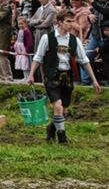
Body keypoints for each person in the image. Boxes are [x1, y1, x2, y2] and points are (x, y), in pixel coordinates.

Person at [27, 11, 101, 144]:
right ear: (60, 22)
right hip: (51, 76)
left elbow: (84, 60)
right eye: (68, 21)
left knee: (64, 111)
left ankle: (51, 128)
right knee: (58, 107)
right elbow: (38, 57)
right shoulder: (47, 38)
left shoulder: (74, 40)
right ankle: (62, 137)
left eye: (72, 21)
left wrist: (94, 80)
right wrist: (31, 74)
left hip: (67, 77)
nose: (71, 24)